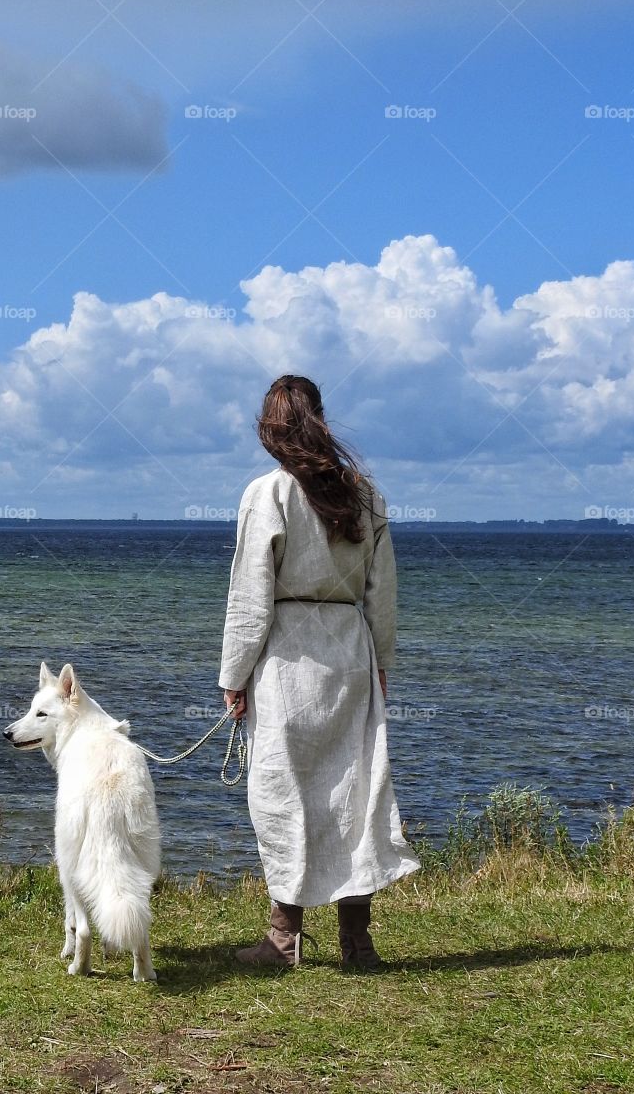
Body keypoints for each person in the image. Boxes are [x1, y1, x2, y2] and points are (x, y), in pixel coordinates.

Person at [219, 374, 420, 971]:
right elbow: (383, 592)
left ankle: (285, 939)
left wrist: (233, 674)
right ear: (321, 420)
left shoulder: (269, 493)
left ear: (272, 428)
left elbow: (250, 596)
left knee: (282, 792)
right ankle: (357, 942)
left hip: (287, 657)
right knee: (355, 791)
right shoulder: (365, 494)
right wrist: (381, 663)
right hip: (350, 652)